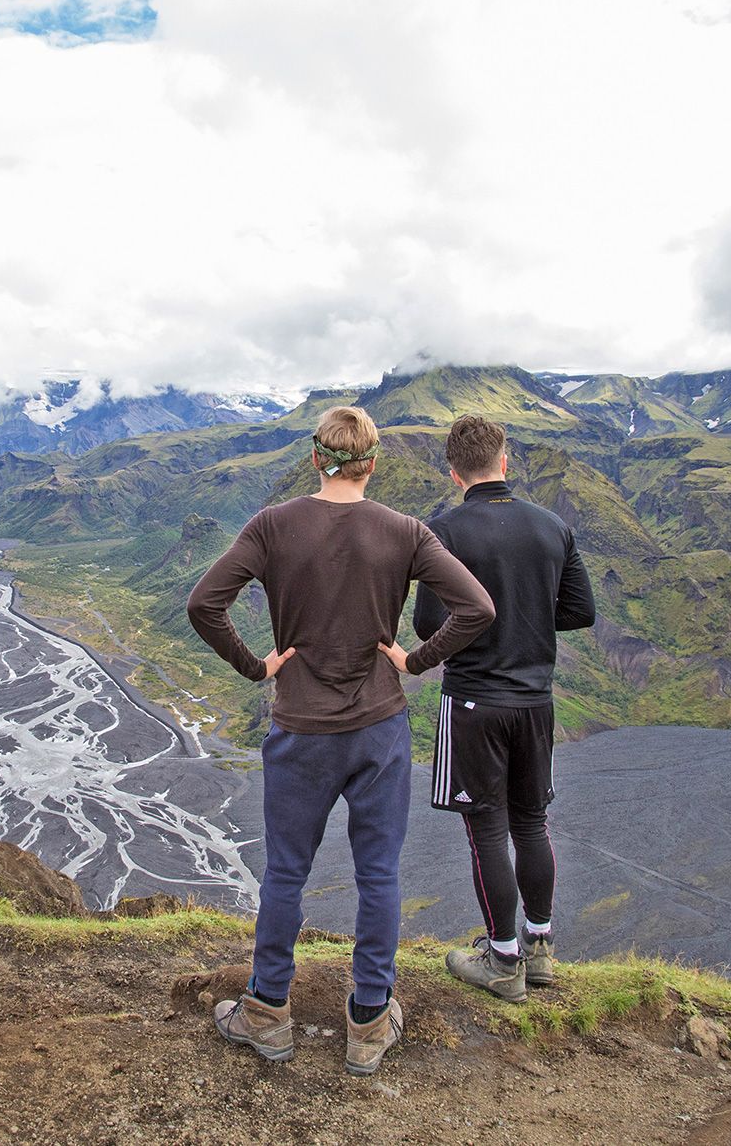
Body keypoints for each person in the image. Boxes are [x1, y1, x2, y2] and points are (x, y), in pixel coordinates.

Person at [187, 405, 496, 1075]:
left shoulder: (273, 526)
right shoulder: (404, 531)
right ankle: (369, 1022)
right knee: (378, 874)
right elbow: (477, 608)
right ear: (372, 463)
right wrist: (415, 660)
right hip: (379, 730)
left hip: (300, 730)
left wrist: (256, 666)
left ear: (314, 458)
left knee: (286, 873)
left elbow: (203, 604)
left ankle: (267, 1012)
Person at [413, 415, 596, 1003]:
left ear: (453, 471)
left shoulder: (443, 532)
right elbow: (581, 611)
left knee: (486, 830)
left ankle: (501, 959)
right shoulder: (552, 527)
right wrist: (528, 614)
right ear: (505, 462)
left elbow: (427, 624)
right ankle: (539, 948)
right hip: (535, 701)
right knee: (530, 822)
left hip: (474, 701)